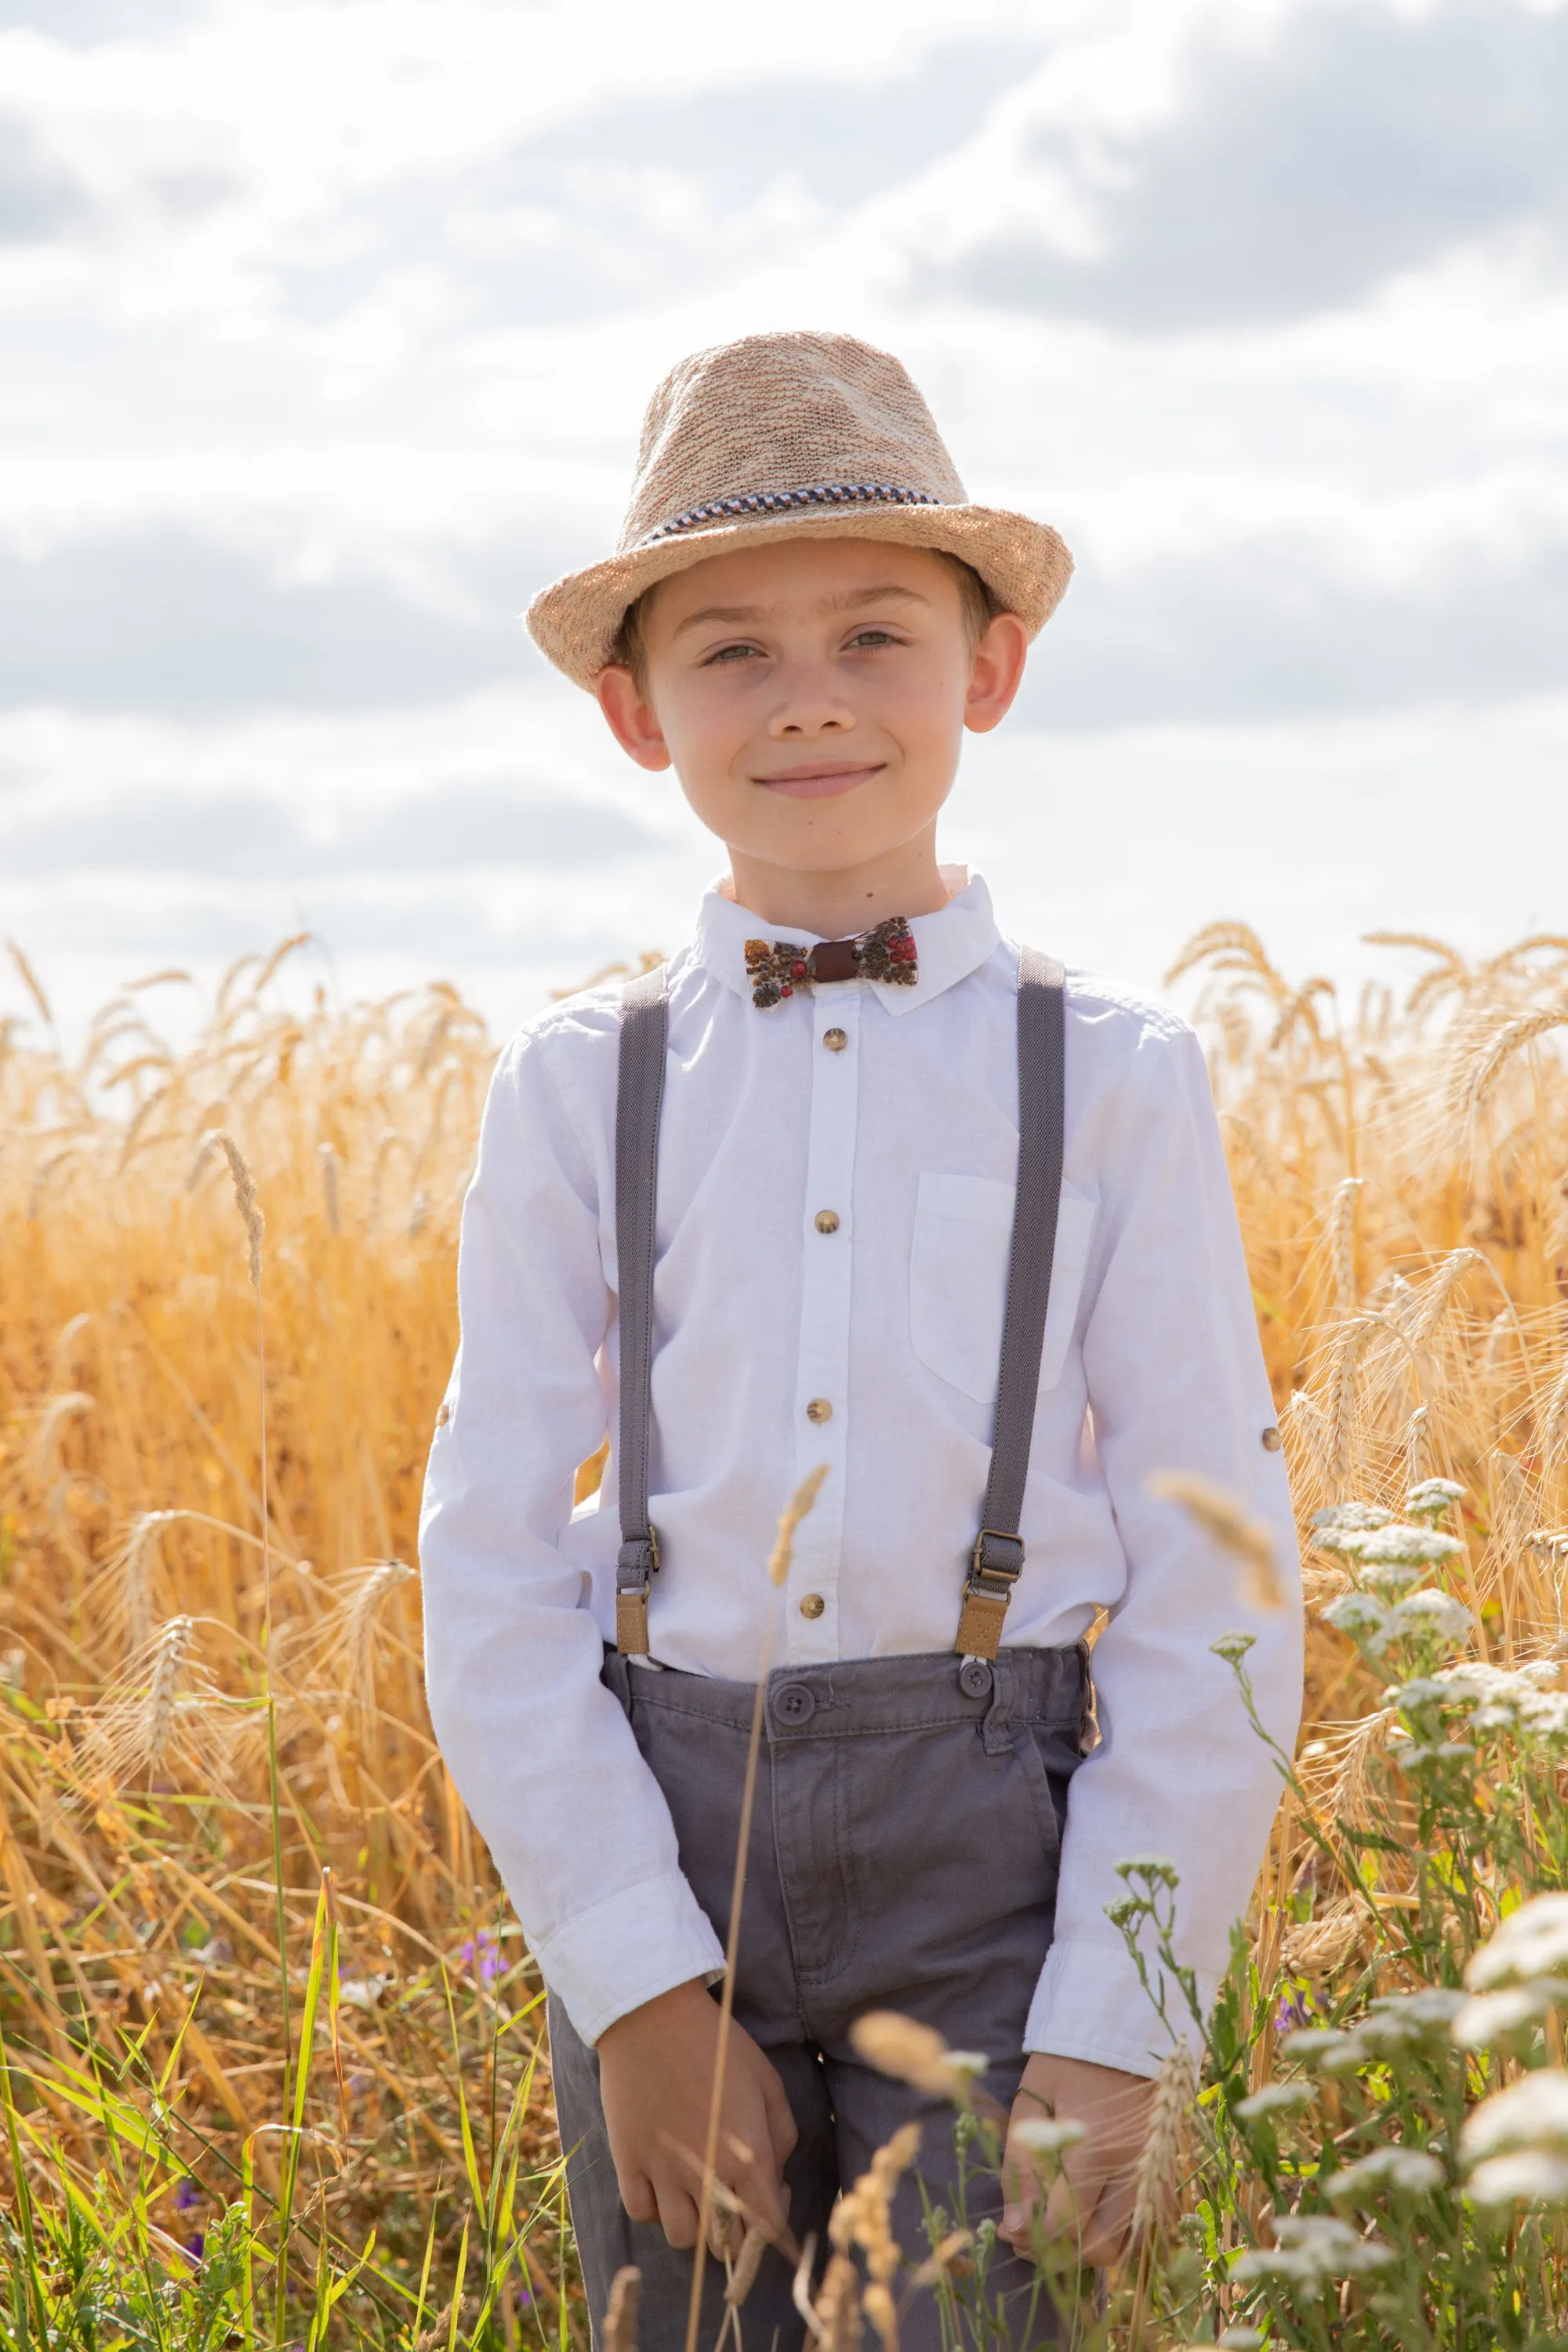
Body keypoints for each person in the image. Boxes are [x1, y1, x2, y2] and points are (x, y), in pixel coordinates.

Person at [419, 329, 1303, 2347]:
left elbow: (1215, 1575)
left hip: (1006, 1872)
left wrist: (1121, 2024)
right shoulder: (580, 1082)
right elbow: (482, 1547)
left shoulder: (1116, 1072)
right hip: (667, 1848)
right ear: (635, 714)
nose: (807, 696)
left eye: (876, 635)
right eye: (728, 649)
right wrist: (635, 1984)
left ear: (985, 674)